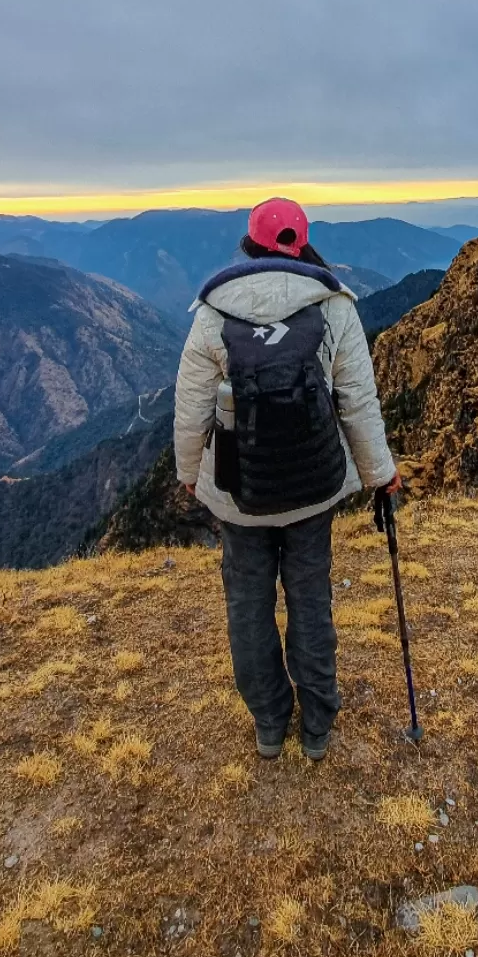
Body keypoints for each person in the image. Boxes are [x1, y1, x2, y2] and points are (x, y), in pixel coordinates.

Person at [174, 197, 401, 761]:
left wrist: (186, 474)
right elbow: (356, 403)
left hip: (238, 492)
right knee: (310, 599)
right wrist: (380, 474)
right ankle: (318, 722)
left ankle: (270, 723)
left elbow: (191, 409)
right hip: (312, 487)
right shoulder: (334, 307)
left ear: (248, 244)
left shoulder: (212, 313)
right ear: (301, 243)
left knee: (248, 604)